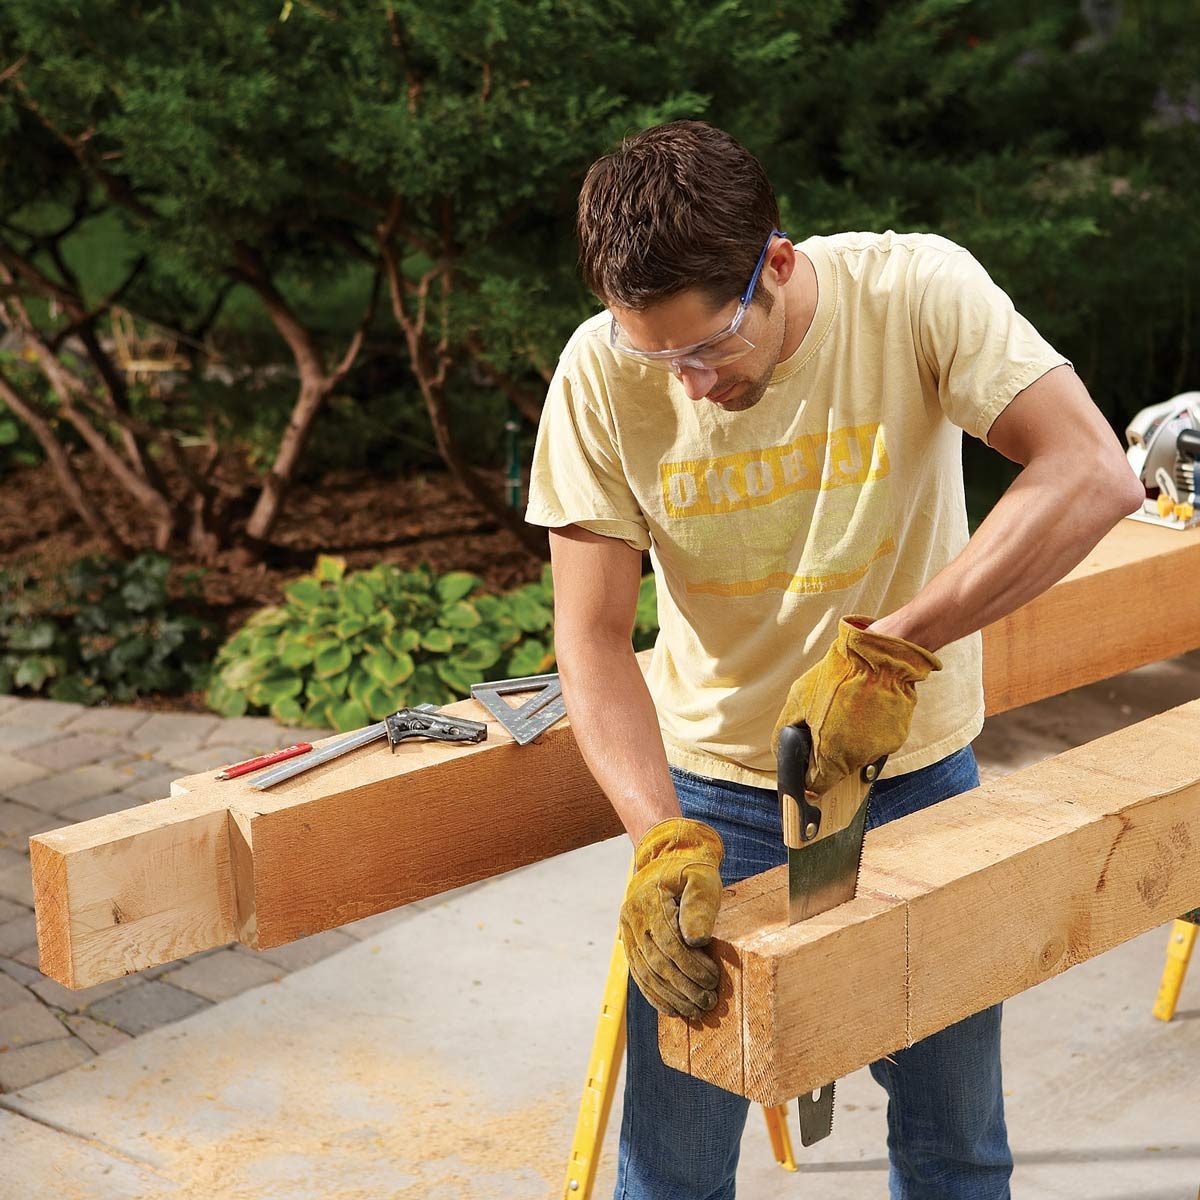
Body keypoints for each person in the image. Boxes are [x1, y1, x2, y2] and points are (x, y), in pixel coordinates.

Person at [525, 120, 1142, 1200]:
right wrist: (659, 836)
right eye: (653, 355)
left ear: (776, 264)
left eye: (707, 347)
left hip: (914, 785)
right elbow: (588, 637)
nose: (688, 386)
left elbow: (1092, 471)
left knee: (955, 1151)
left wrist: (898, 651)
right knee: (668, 1175)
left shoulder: (912, 293)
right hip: (716, 803)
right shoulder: (597, 374)